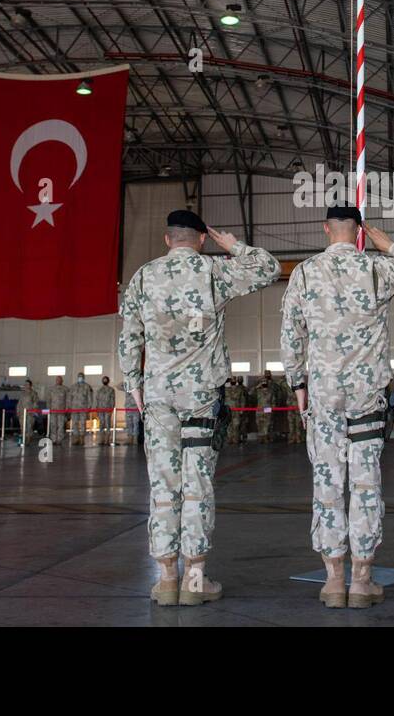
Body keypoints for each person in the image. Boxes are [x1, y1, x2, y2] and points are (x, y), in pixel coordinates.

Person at [119, 210, 279, 606]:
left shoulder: (143, 276)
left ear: (166, 238)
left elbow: (129, 337)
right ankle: (195, 577)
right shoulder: (214, 271)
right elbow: (268, 268)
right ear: (201, 239)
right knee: (197, 485)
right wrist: (233, 245)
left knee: (162, 486)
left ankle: (165, 579)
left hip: (157, 396)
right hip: (201, 395)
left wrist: (133, 386)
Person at [281, 208, 394, 609]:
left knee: (327, 484)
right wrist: (389, 245)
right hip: (366, 395)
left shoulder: (304, 272)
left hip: (323, 394)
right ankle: (362, 579)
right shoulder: (377, 269)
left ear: (325, 229)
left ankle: (334, 580)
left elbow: (291, 333)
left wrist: (298, 383)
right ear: (359, 233)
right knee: (366, 485)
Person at [253, 370, 278, 443]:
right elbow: (250, 393)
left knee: (267, 424)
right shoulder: (258, 391)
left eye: (265, 382)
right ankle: (261, 438)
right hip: (259, 409)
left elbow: (273, 402)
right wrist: (257, 387)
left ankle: (266, 438)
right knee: (259, 424)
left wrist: (272, 410)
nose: (264, 383)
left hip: (267, 409)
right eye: (262, 382)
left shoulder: (271, 391)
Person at [69, 373, 94, 446]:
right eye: (79, 377)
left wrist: (89, 407)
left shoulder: (87, 386)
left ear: (84, 378)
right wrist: (70, 406)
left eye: (81, 377)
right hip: (74, 408)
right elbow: (70, 397)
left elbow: (90, 397)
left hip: (83, 408)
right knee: (75, 423)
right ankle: (76, 438)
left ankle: (82, 439)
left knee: (83, 424)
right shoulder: (73, 386)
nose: (80, 378)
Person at [46, 375, 70, 445]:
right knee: (53, 425)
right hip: (53, 410)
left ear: (62, 381)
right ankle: (53, 439)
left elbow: (67, 400)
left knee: (60, 425)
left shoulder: (65, 389)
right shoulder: (51, 389)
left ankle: (59, 440)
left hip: (61, 411)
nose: (58, 381)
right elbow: (48, 400)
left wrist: (67, 409)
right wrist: (48, 409)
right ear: (55, 380)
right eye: (57, 379)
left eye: (59, 379)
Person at [94, 376, 117, 446]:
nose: (105, 381)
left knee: (107, 424)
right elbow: (96, 400)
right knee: (101, 424)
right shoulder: (99, 390)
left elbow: (113, 400)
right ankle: (101, 439)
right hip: (100, 410)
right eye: (104, 380)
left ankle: (107, 439)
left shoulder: (111, 390)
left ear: (108, 381)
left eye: (106, 380)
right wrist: (97, 409)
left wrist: (111, 409)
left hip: (108, 409)